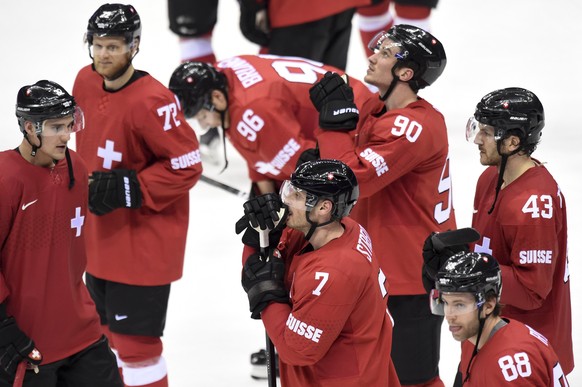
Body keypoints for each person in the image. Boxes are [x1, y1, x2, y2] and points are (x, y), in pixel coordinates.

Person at [307, 25, 453, 386]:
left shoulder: (414, 124)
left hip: (409, 276)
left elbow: (352, 178)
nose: (372, 56)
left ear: (406, 73)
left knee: (413, 378)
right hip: (379, 268)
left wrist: (331, 131)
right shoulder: (377, 107)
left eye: (386, 53)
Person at [73, 4, 203, 387]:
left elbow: (188, 165)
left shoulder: (154, 101)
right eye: (98, 45)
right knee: (102, 337)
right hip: (99, 238)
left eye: (113, 46)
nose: (103, 55)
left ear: (134, 47)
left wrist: (130, 186)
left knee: (137, 347)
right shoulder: (84, 81)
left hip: (142, 244)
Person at [0, 80, 122, 387]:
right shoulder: (5, 179)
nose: (67, 135)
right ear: (29, 127)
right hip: (26, 344)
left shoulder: (75, 167)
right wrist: (2, 327)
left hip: (83, 333)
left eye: (70, 125)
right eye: (56, 127)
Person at [238, 159, 401, 386]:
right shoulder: (340, 229)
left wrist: (266, 296)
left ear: (324, 208)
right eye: (289, 190)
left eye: (296, 196)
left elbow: (297, 349)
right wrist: (260, 237)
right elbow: (261, 267)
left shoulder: (334, 273)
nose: (286, 201)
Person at [464, 87, 574, 374]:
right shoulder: (489, 179)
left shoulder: (533, 204)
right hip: (487, 339)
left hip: (525, 357)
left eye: (486, 132)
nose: (477, 139)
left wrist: (473, 272)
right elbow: (488, 251)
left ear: (512, 141)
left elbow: (531, 290)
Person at [168, 54, 380, 196]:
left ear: (217, 98)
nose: (203, 123)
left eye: (202, 115)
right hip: (355, 98)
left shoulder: (251, 112)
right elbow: (259, 151)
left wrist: (276, 206)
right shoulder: (224, 71)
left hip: (360, 124)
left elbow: (307, 167)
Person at [431, 251, 570, 386]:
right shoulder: (474, 339)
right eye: (445, 302)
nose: (449, 315)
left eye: (459, 305)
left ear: (488, 305)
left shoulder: (508, 365)